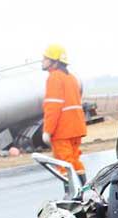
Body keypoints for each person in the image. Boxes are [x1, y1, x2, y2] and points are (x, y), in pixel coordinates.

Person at [41, 44, 87, 184]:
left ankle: (74, 196)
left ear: (54, 61)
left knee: (65, 164)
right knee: (75, 160)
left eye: (45, 58)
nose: (42, 61)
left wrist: (48, 131)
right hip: (76, 127)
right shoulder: (71, 78)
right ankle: (84, 189)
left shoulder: (54, 78)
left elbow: (53, 107)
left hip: (63, 130)